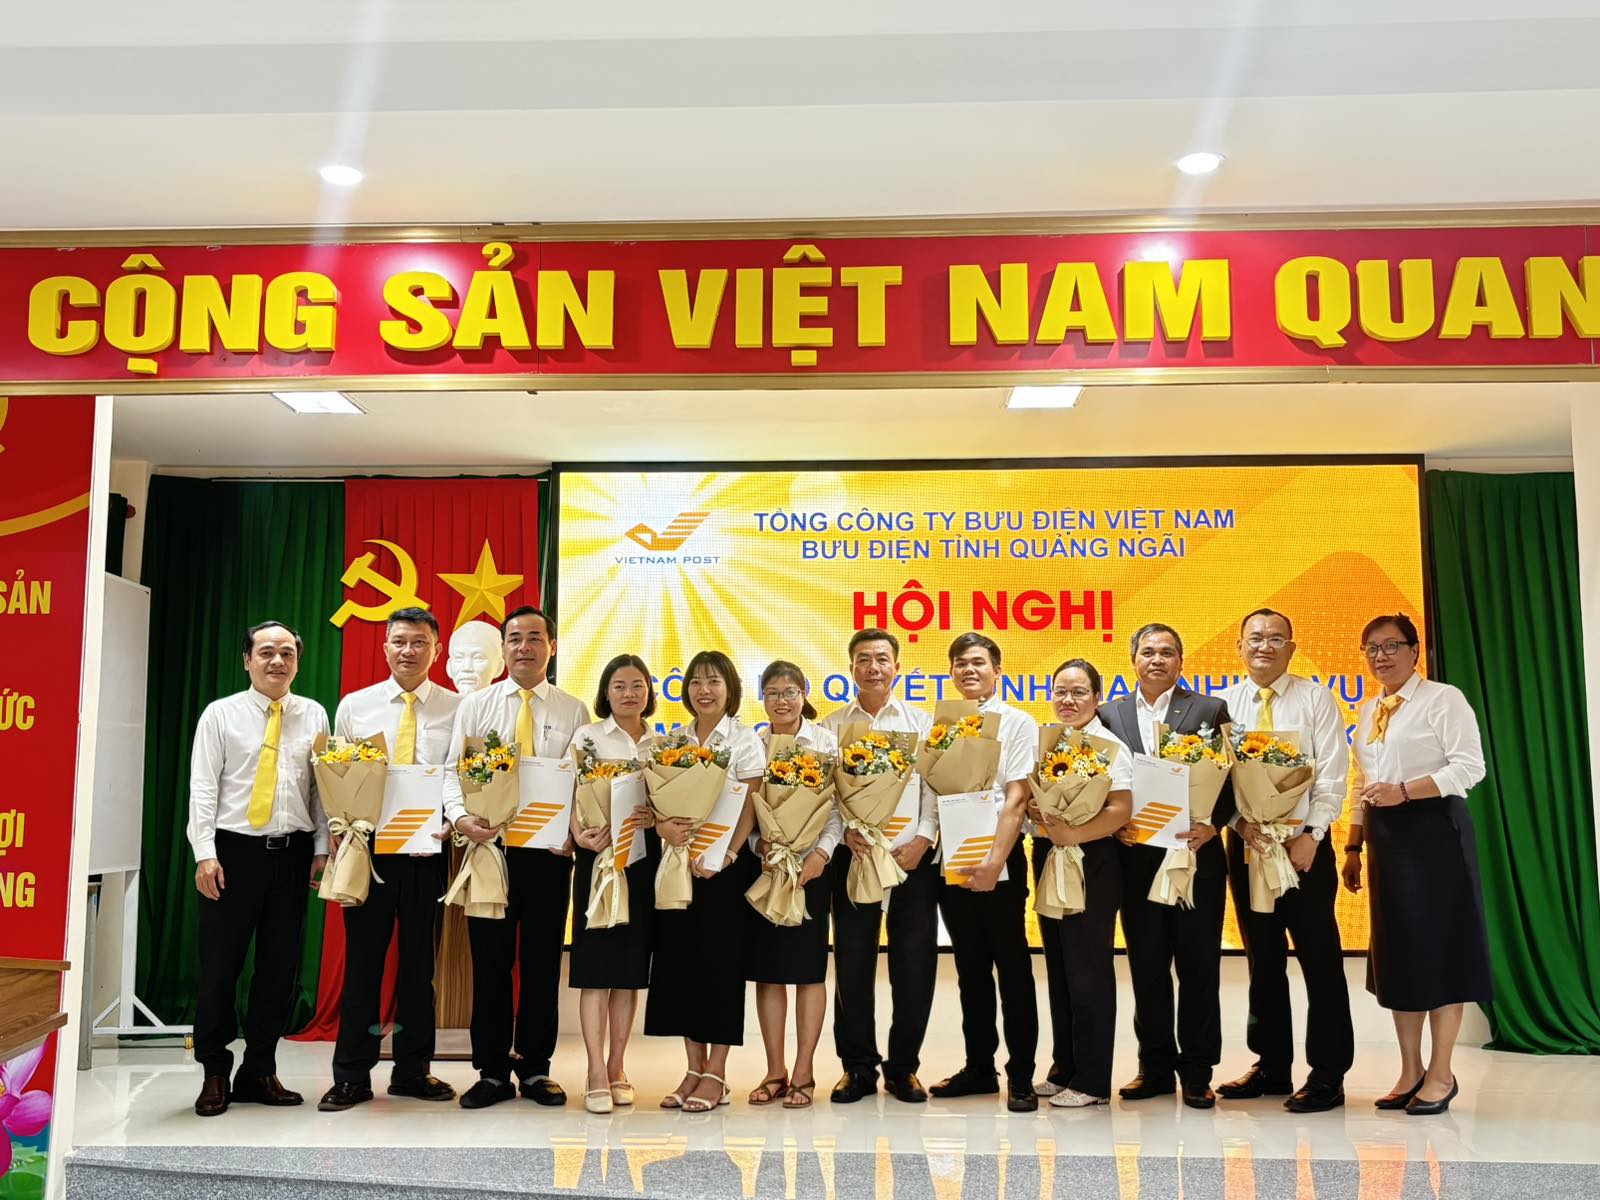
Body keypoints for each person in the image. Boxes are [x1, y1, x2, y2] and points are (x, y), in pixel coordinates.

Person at [1343, 614, 1490, 1117]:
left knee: (1442, 950)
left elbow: (1470, 767)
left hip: (1435, 831)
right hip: (1386, 837)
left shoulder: (1443, 699)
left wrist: (1405, 791)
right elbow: (1363, 780)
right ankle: (1410, 1070)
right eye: (1371, 648)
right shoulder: (1369, 709)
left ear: (1414, 650)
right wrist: (1354, 845)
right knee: (1400, 952)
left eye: (1391, 646)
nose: (1380, 656)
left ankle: (1442, 1073)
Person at [443, 605, 590, 1109]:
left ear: (552, 646)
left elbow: (582, 782)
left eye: (534, 637)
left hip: (549, 855)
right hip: (490, 851)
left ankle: (535, 1067)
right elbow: (452, 771)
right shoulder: (477, 705)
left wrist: (574, 831)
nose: (524, 646)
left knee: (542, 963)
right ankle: (490, 1071)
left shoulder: (573, 710)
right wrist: (460, 818)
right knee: (490, 963)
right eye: (514, 638)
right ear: (503, 648)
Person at [319, 607, 461, 1112]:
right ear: (385, 648)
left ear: (436, 650)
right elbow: (337, 774)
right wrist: (338, 827)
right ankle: (352, 1075)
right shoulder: (356, 706)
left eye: (419, 642)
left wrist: (453, 821)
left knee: (419, 967)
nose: (408, 650)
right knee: (363, 965)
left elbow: (458, 775)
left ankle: (412, 1070)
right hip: (369, 851)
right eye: (399, 641)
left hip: (427, 850)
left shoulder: (457, 708)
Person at [187, 621, 330, 1117]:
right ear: (247, 659)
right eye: (266, 652)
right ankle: (214, 1071)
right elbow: (203, 787)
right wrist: (205, 853)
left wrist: (321, 847)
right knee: (220, 968)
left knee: (279, 970)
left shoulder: (314, 714)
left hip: (291, 854)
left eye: (287, 653)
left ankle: (259, 1070)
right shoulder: (220, 714)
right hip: (232, 855)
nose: (277, 661)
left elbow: (320, 789)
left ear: (297, 662)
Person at [1217, 609, 1354, 1113]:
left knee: (1320, 958)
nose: (1265, 646)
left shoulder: (1316, 698)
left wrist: (1312, 836)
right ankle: (1272, 1065)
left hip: (1303, 848)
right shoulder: (1224, 704)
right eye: (1255, 638)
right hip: (1249, 847)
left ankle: (1328, 1073)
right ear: (1239, 646)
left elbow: (1333, 775)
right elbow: (1216, 779)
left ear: (1291, 648)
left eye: (1276, 638)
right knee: (1263, 959)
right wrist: (1239, 824)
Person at [1100, 623, 1235, 1109]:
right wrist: (1111, 823)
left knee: (1199, 966)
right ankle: (1153, 1067)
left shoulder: (1209, 709)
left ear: (1181, 660)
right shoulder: (1108, 714)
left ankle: (1197, 1072)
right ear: (1133, 659)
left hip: (1194, 855)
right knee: (1147, 966)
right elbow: (1099, 780)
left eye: (1167, 652)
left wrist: (1213, 825)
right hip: (1135, 860)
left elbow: (1235, 777)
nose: (1157, 659)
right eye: (1148, 652)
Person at [644, 650, 764, 1113]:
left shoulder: (745, 739)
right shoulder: (675, 740)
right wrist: (664, 828)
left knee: (721, 968)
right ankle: (692, 1068)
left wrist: (727, 854)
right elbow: (658, 800)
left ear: (730, 688)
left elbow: (750, 803)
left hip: (726, 871)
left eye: (714, 681)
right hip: (680, 864)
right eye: (695, 681)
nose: (704, 690)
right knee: (681, 965)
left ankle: (717, 1072)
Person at [821, 628, 936, 1105]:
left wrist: (925, 838)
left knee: (915, 962)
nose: (873, 667)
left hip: (911, 859)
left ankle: (904, 1068)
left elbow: (936, 789)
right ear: (851, 669)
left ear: (897, 668)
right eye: (863, 659)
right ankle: (857, 1067)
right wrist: (843, 832)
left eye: (882, 659)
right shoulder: (830, 727)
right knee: (852, 961)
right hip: (855, 856)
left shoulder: (922, 724)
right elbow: (823, 795)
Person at [929, 632, 1040, 1113]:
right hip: (953, 857)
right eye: (959, 663)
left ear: (997, 669)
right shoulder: (943, 724)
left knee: (1012, 969)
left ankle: (1022, 1076)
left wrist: (995, 861)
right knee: (970, 971)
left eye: (977, 662)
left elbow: (1017, 796)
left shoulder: (1018, 722)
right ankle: (979, 1068)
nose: (968, 670)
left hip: (1001, 858)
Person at [1031, 658, 1133, 1108]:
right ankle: (1064, 1069)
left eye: (1078, 692)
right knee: (1060, 969)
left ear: (1097, 697)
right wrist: (1038, 812)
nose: (1068, 700)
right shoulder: (1049, 742)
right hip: (1050, 855)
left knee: (1088, 970)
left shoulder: (1110, 746)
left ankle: (1092, 1081)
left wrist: (1073, 834)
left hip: (1091, 860)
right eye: (1060, 692)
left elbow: (1121, 808)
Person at [564, 654, 660, 1115]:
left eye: (638, 685)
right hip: (598, 857)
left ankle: (618, 1066)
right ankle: (594, 1072)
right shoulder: (587, 737)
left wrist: (655, 816)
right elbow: (568, 794)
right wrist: (578, 834)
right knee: (595, 970)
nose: (629, 693)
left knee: (628, 971)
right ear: (606, 692)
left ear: (649, 692)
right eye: (619, 685)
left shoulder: (663, 743)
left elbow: (672, 800)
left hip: (641, 861)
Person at [746, 661, 842, 1111]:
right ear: (762, 698)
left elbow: (840, 808)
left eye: (790, 692)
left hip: (811, 871)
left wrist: (821, 854)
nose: (781, 701)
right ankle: (775, 1070)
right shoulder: (753, 744)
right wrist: (758, 844)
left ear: (804, 694)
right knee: (769, 971)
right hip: (766, 870)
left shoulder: (825, 743)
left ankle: (804, 1071)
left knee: (807, 971)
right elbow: (742, 807)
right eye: (772, 693)